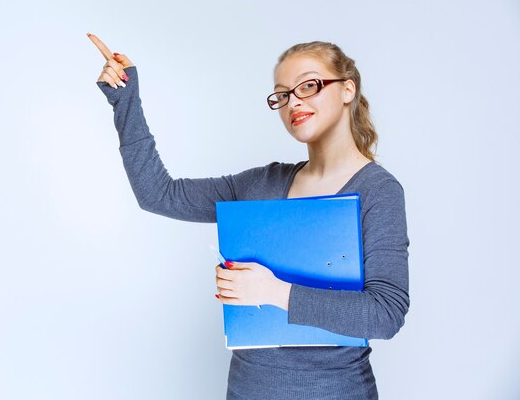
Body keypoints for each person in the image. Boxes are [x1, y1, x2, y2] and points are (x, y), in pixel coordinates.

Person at [87, 33, 410, 400]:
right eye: (283, 95)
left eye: (309, 86)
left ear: (347, 89)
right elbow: (159, 194)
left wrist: (272, 291)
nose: (294, 103)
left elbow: (385, 314)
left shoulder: (378, 191)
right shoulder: (261, 184)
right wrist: (125, 100)